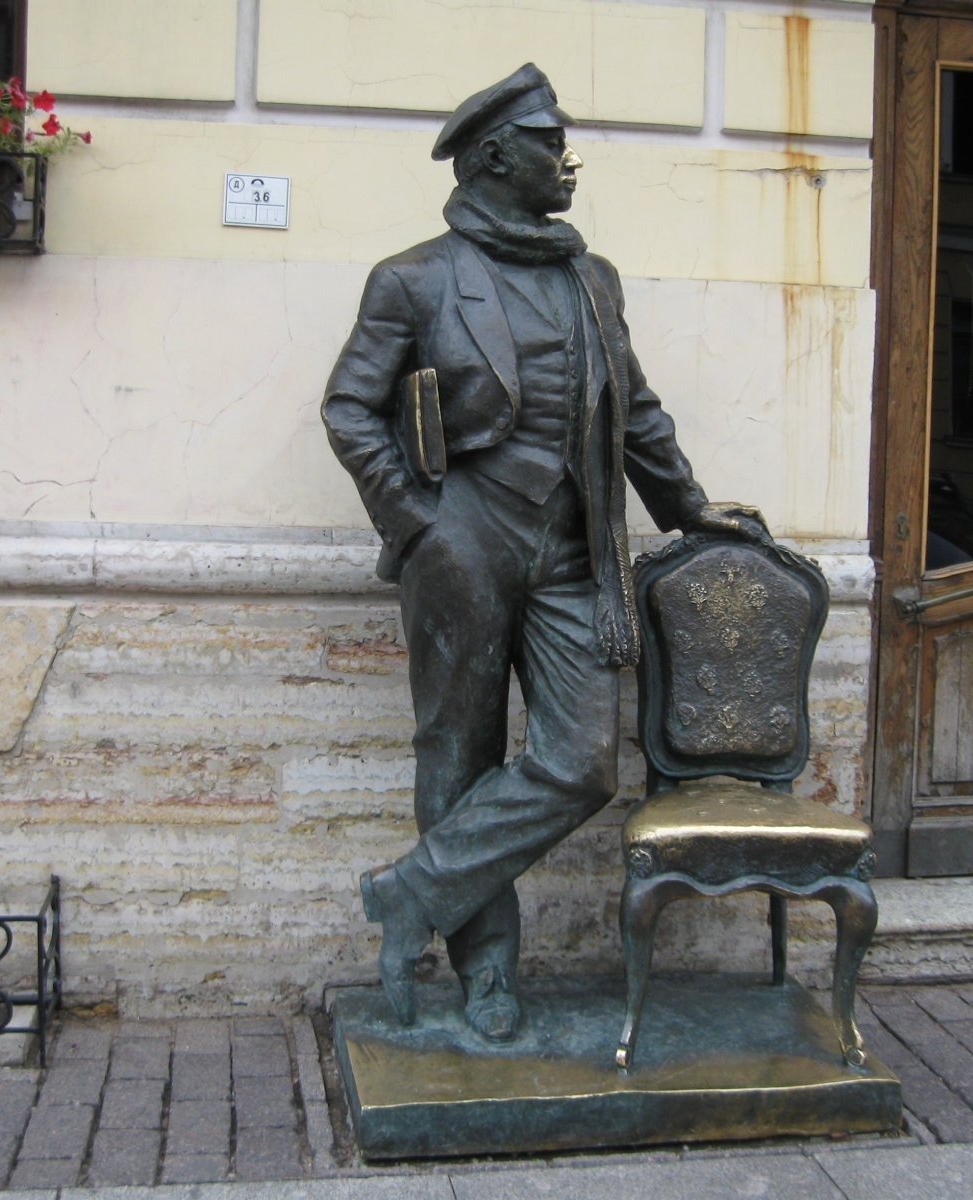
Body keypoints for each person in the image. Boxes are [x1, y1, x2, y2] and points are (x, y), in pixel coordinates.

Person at [322, 63, 764, 1041]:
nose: (567, 159)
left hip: (573, 557)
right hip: (463, 541)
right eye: (546, 140)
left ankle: (412, 892)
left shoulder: (589, 280)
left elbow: (636, 415)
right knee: (459, 755)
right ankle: (486, 979)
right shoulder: (414, 279)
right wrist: (416, 520)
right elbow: (350, 410)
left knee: (581, 763)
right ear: (491, 155)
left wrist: (689, 507)